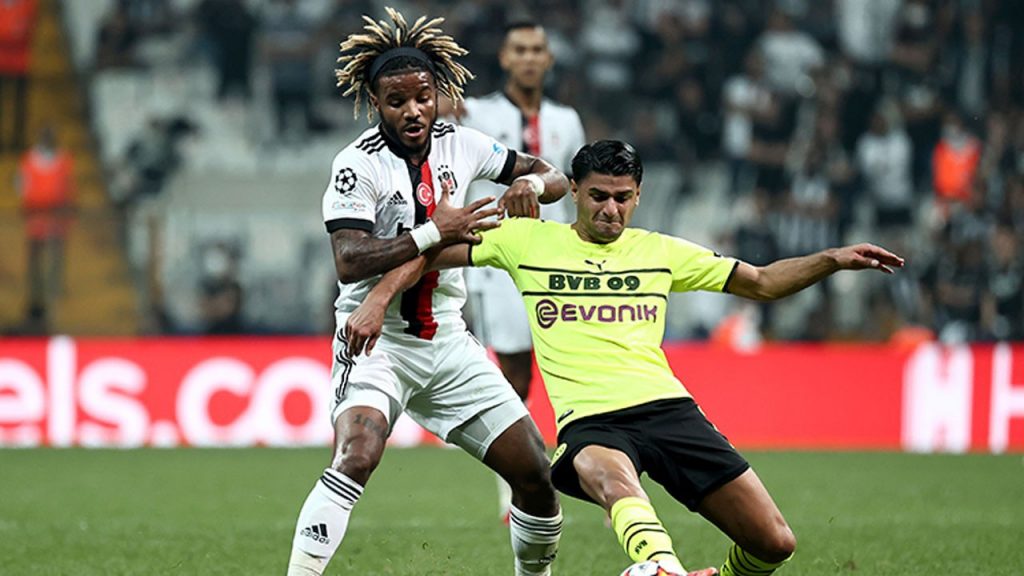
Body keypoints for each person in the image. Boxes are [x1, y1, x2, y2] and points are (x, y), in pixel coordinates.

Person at [347, 140, 905, 576]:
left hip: (670, 410)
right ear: (574, 192)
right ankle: (659, 566)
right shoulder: (527, 240)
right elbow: (426, 253)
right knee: (617, 484)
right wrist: (377, 298)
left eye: (622, 197)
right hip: (592, 421)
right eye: (598, 196)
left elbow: (760, 282)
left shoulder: (661, 251)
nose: (611, 210)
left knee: (774, 542)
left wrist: (832, 259)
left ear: (638, 195)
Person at [286, 8, 570, 576]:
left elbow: (555, 175)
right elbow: (349, 259)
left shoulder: (463, 144)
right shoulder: (356, 165)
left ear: (438, 92)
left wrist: (530, 182)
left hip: (448, 342)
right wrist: (433, 230)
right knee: (357, 454)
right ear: (375, 102)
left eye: (423, 97)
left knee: (537, 475)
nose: (413, 110)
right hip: (376, 342)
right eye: (397, 101)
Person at [452, 19, 586, 520]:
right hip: (499, 261)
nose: (529, 58)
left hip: (558, 260)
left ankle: (595, 470)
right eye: (520, 50)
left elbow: (579, 187)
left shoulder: (567, 119)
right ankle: (515, 489)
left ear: (548, 59)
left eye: (536, 49)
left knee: (574, 369)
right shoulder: (476, 113)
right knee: (514, 374)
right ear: (505, 58)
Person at [17, 126, 74, 313]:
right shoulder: (29, 160)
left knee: (56, 257)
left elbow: (68, 186)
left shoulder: (63, 160)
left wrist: (66, 208)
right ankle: (36, 294)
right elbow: (22, 185)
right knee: (35, 258)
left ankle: (54, 294)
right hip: (35, 215)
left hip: (56, 217)